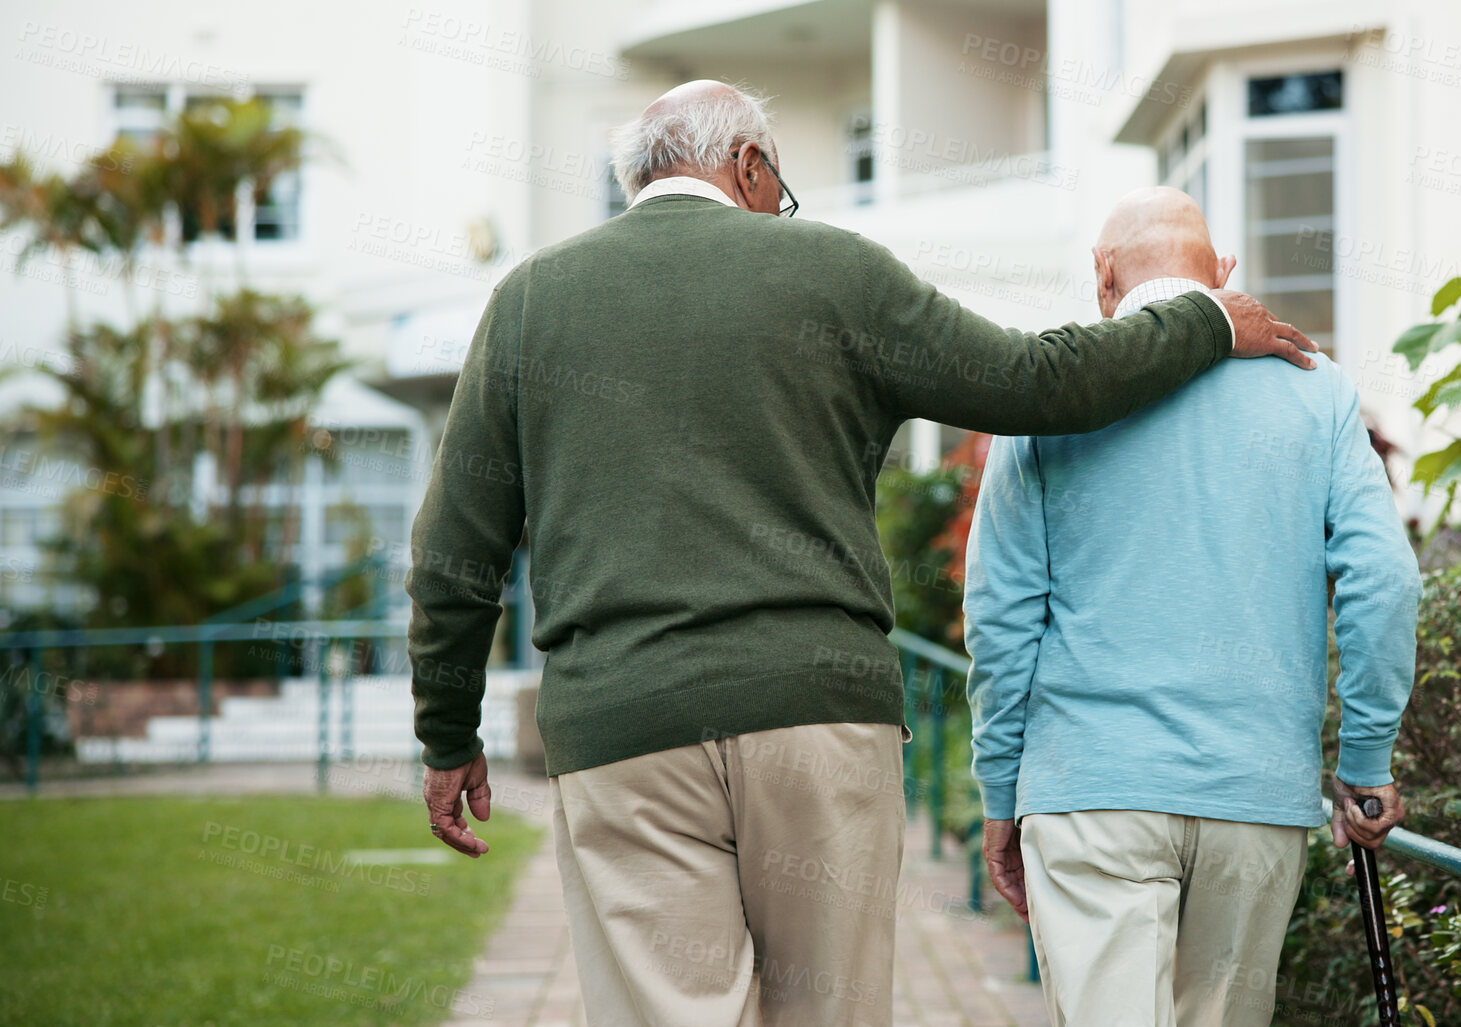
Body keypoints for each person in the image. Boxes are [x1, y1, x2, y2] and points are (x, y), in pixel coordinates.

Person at [408, 82, 1317, 1027]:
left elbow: (452, 551)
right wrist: (1204, 320)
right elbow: (1035, 382)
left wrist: (445, 733)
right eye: (777, 189)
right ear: (749, 167)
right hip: (818, 718)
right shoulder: (833, 273)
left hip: (625, 730)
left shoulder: (531, 299)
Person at [965, 187, 1421, 1027]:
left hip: (1088, 792)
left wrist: (1000, 791)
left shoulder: (1049, 402)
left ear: (1103, 278)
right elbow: (1383, 578)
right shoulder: (1316, 392)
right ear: (1222, 275)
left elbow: (1001, 621)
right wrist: (1364, 758)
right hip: (1254, 792)